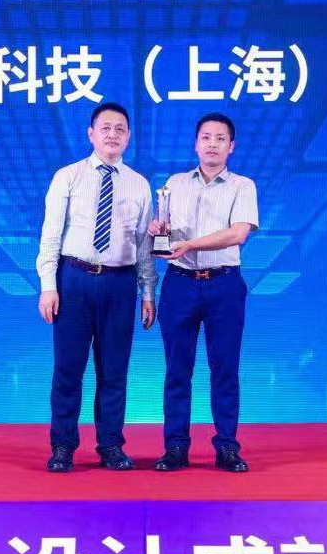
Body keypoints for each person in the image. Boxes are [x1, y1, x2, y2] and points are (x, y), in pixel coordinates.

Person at [36, 102, 156, 472]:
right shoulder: (68, 177)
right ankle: (62, 447)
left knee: (114, 371)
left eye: (120, 129)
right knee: (68, 369)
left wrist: (147, 291)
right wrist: (48, 285)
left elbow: (144, 245)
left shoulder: (139, 184)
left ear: (128, 137)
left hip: (120, 283)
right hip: (74, 280)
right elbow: (51, 234)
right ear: (91, 134)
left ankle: (111, 446)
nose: (112, 135)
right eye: (105, 128)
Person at [147, 112, 258, 472]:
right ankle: (176, 447)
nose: (212, 144)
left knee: (225, 368)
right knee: (177, 370)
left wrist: (190, 244)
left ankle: (227, 447)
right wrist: (158, 230)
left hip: (224, 283)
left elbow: (238, 233)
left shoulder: (242, 186)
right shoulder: (174, 185)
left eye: (220, 138)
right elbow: (167, 233)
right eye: (206, 137)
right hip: (180, 283)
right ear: (196, 144)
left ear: (231, 146)